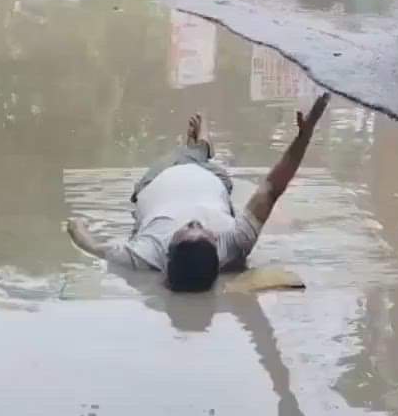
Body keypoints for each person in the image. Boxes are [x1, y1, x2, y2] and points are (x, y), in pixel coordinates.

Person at [66, 94, 331, 293]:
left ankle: (197, 146)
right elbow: (273, 187)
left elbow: (90, 246)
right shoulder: (235, 242)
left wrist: (76, 226)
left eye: (186, 229)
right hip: (214, 178)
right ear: (216, 246)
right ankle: (200, 146)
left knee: (180, 155)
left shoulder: (144, 255)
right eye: (202, 230)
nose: (194, 222)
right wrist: (303, 138)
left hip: (156, 179)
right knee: (206, 164)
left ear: (167, 253)